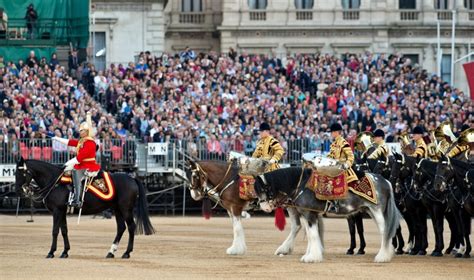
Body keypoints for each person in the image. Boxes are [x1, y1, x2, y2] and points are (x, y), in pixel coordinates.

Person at [52, 112, 100, 207]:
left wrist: (66, 164)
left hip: (88, 165)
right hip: (82, 164)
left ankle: (77, 200)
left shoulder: (90, 143)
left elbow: (79, 158)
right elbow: (70, 142)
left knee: (75, 173)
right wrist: (57, 138)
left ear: (86, 131)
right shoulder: (83, 141)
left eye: (82, 131)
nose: (80, 132)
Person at [327, 123, 358, 212]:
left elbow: (351, 157)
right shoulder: (333, 144)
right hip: (334, 168)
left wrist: (346, 165)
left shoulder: (343, 143)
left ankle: (337, 203)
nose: (331, 134)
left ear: (337, 132)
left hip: (343, 168)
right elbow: (330, 156)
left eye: (332, 132)